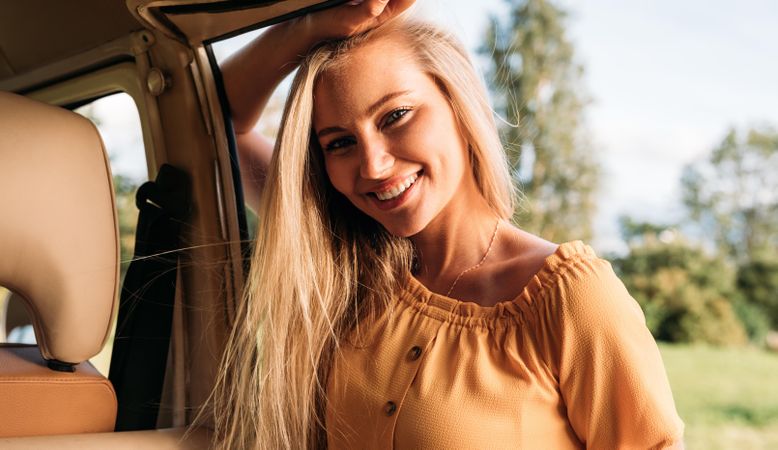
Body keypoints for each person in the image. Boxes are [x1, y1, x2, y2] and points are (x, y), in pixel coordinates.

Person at [213, 0, 685, 448]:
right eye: (339, 143)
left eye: (396, 116)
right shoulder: (342, 260)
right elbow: (217, 124)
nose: (373, 166)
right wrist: (311, 27)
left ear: (459, 106)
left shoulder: (570, 299)